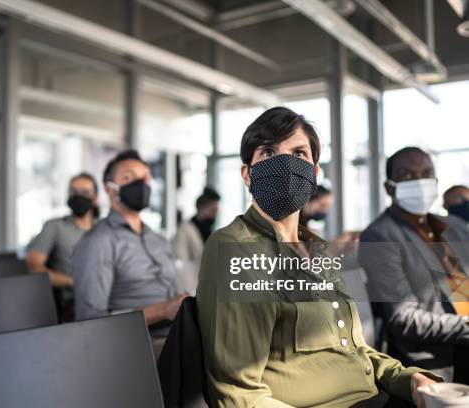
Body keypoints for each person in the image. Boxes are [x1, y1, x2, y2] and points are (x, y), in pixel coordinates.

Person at [197, 107, 440, 408]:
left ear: (313, 173)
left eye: (299, 154)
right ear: (248, 174)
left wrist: (407, 377)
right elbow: (238, 393)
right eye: (269, 152)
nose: (286, 163)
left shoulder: (315, 247)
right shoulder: (236, 247)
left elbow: (354, 350)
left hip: (376, 396)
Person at [359, 147, 469, 382]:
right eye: (408, 175)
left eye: (426, 173)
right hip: (438, 356)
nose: (420, 181)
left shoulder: (454, 226)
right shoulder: (380, 236)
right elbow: (403, 318)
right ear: (389, 187)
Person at [72, 150, 186, 354]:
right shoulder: (98, 242)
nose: (141, 183)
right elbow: (89, 320)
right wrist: (161, 311)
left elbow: (176, 296)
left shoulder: (158, 240)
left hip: (178, 333)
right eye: (128, 177)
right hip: (138, 344)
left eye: (145, 177)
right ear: (110, 189)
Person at [27, 173, 99, 318]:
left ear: (95, 197)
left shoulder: (104, 229)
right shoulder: (54, 226)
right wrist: (73, 282)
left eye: (85, 192)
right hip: (72, 302)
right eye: (74, 192)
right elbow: (34, 267)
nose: (79, 196)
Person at [173, 186, 220, 295]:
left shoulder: (210, 231)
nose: (215, 214)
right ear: (202, 208)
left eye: (216, 210)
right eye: (213, 210)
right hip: (191, 289)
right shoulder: (185, 230)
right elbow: (181, 263)